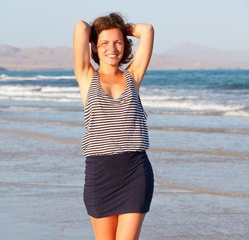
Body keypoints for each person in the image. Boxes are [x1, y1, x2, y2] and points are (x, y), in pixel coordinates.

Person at [73, 13, 154, 240]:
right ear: (95, 46)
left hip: (135, 171)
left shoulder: (133, 76)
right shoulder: (86, 76)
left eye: (118, 42)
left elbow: (147, 30)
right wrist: (104, 30)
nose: (112, 48)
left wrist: (120, 28)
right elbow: (80, 27)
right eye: (105, 43)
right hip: (100, 173)